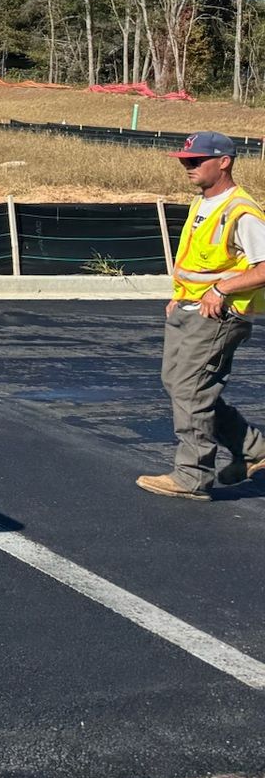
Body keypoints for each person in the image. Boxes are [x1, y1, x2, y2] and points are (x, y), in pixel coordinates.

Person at [138, 130, 265, 501]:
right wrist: (180, 295)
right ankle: (254, 450)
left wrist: (222, 290)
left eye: (196, 161)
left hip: (219, 315)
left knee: (191, 390)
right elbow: (197, 262)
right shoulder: (202, 203)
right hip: (189, 308)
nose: (187, 167)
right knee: (181, 386)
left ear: (223, 162)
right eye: (185, 161)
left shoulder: (241, 210)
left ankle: (192, 476)